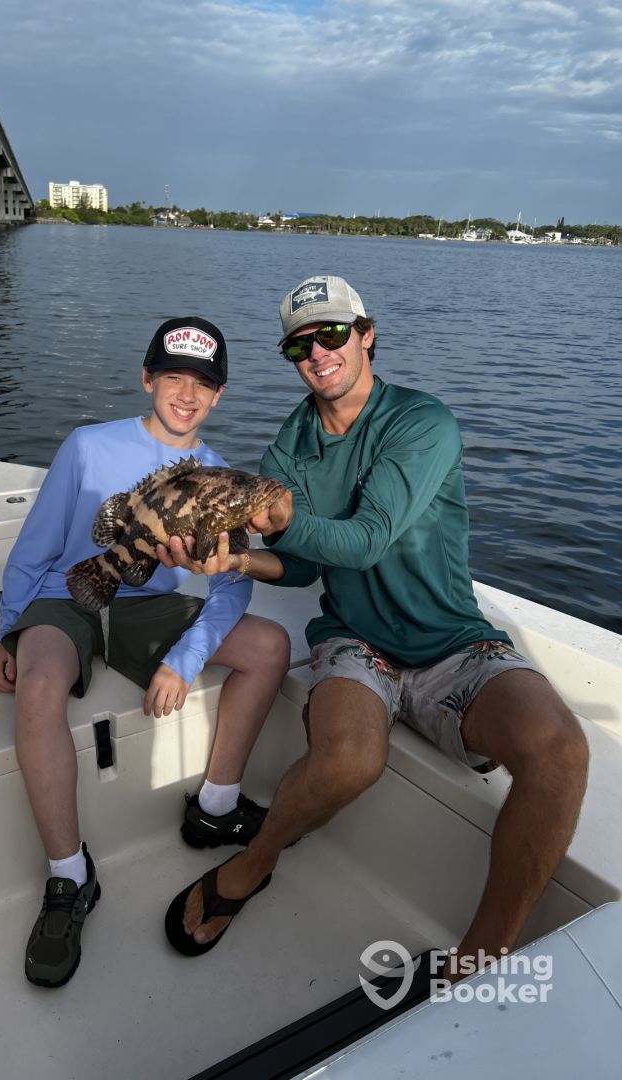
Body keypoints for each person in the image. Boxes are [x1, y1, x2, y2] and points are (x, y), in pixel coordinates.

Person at [161, 276, 589, 979]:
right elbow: (302, 567)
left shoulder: (421, 423)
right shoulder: (288, 450)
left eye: (332, 334)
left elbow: (365, 541)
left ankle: (482, 953)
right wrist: (233, 558)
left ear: (366, 335)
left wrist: (282, 520)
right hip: (355, 640)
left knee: (561, 750)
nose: (317, 353)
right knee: (349, 762)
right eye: (299, 345)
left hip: (455, 642)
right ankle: (253, 864)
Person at [0, 316, 290, 988]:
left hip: (148, 610)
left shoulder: (220, 480)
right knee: (38, 685)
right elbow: (36, 547)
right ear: (147, 378)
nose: (187, 394)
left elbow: (233, 584)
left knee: (270, 645)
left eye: (203, 384)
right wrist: (9, 629)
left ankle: (216, 806)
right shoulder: (87, 447)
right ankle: (70, 877)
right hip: (68, 594)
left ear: (219, 395)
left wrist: (183, 661)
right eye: (174, 377)